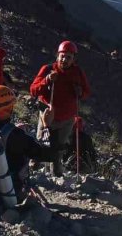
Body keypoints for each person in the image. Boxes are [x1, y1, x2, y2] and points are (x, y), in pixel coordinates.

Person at [0, 85, 56, 204]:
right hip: (8, 195)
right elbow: (48, 154)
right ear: (9, 108)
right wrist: (46, 127)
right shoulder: (15, 136)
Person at [29, 40, 91, 176]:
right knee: (41, 143)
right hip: (48, 116)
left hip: (67, 119)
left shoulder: (78, 72)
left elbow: (86, 93)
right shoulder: (47, 69)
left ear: (74, 59)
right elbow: (33, 90)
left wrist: (80, 92)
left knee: (59, 147)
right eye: (62, 56)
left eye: (68, 57)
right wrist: (46, 80)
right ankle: (33, 170)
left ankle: (56, 173)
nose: (64, 59)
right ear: (57, 56)